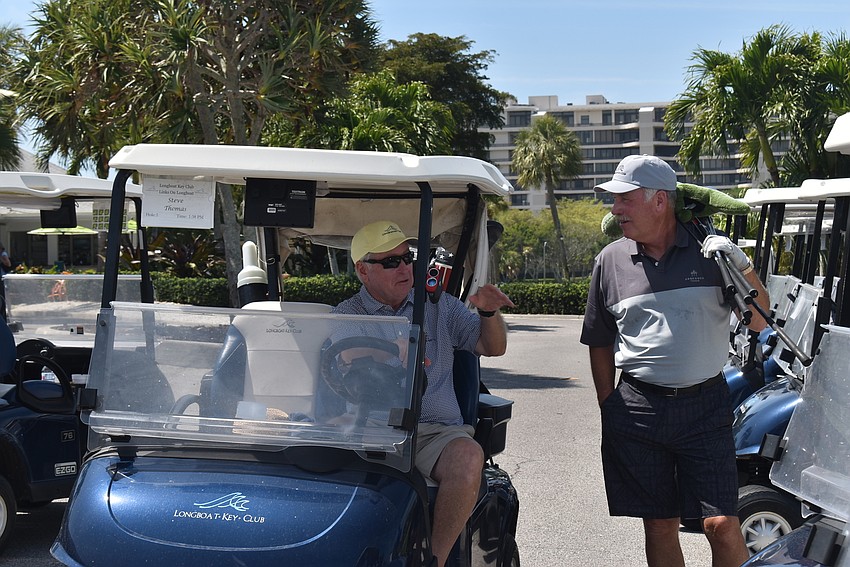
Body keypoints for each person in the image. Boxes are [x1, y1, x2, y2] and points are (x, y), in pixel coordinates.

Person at [580, 155, 769, 567]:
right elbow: (598, 338)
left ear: (660, 200)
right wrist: (608, 403)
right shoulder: (609, 260)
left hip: (705, 406)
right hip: (638, 408)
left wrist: (741, 264)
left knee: (721, 523)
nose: (615, 211)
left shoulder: (711, 253)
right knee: (660, 523)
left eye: (625, 200)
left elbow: (760, 319)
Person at [332, 220, 514, 567]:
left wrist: (489, 313)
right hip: (369, 429)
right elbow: (347, 354)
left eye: (408, 258)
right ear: (362, 270)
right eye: (391, 262)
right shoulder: (347, 314)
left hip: (434, 431)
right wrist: (389, 353)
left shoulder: (438, 306)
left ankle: (435, 560)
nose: (404, 268)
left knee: (468, 456)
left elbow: (492, 347)